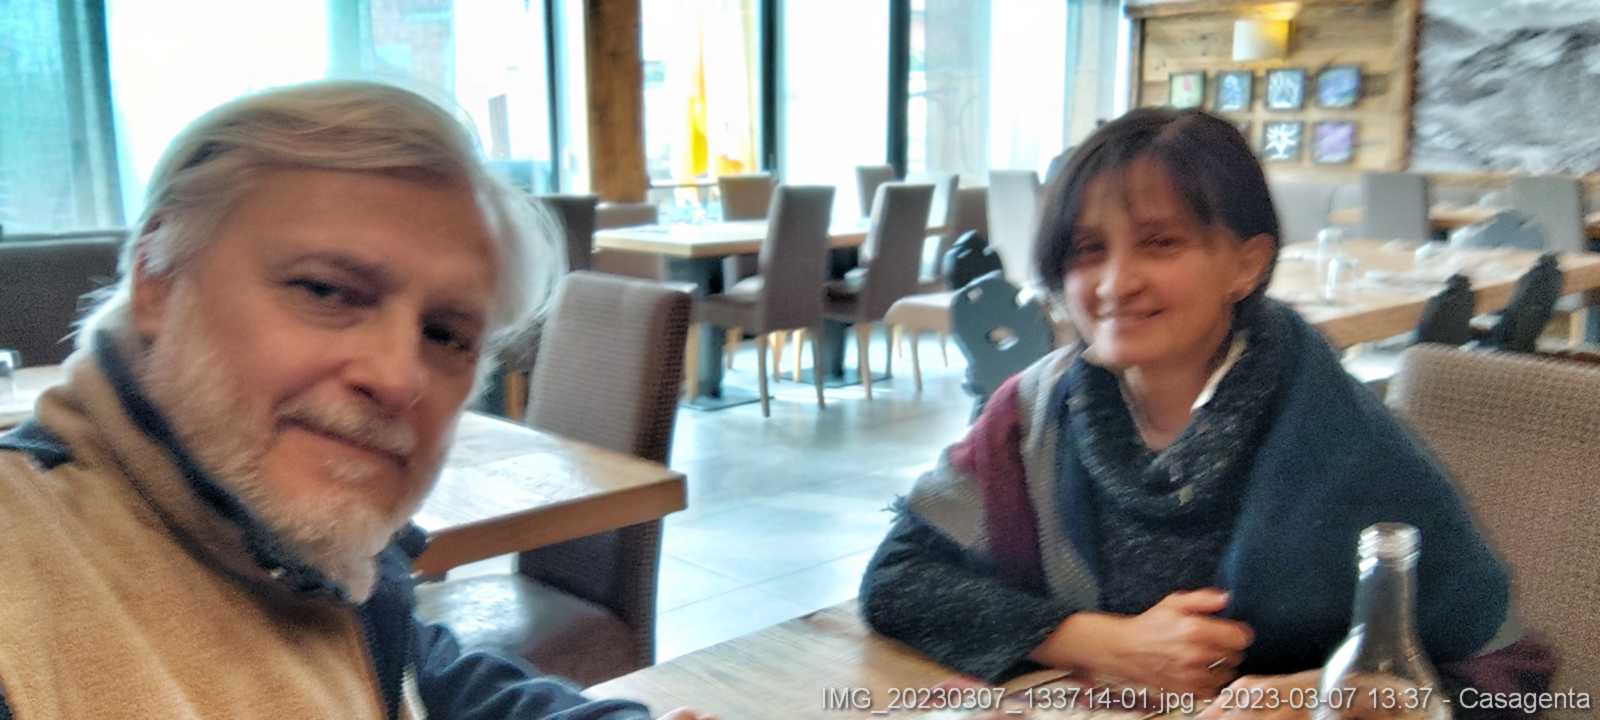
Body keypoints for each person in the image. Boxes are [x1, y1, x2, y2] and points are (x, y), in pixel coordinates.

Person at [0, 81, 707, 720]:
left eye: (446, 335)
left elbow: (409, 670)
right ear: (156, 276)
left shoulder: (293, 554)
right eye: (326, 291)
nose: (399, 378)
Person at [859, 108, 1553, 713]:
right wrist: (1103, 642)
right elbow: (899, 579)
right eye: (1088, 250)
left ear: (1246, 265)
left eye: (1160, 242)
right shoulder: (1032, 413)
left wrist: (1327, 695)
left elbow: (1504, 680)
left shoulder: (1348, 439)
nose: (1115, 283)